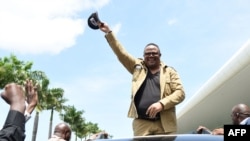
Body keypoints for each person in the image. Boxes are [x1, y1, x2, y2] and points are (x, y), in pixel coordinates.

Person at [97, 22, 185, 136]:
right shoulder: (137, 67)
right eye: (147, 53)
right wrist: (109, 32)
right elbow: (121, 53)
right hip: (141, 124)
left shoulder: (170, 71)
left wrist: (162, 104)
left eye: (154, 53)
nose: (151, 56)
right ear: (143, 56)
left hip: (165, 124)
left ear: (160, 55)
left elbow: (180, 93)